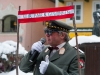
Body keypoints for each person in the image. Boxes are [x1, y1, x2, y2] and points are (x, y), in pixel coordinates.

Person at [19, 20, 85, 75]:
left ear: (62, 35)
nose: (46, 35)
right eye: (46, 31)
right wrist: (32, 53)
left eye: (50, 32)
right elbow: (23, 68)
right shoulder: (43, 50)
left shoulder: (75, 55)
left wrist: (51, 69)